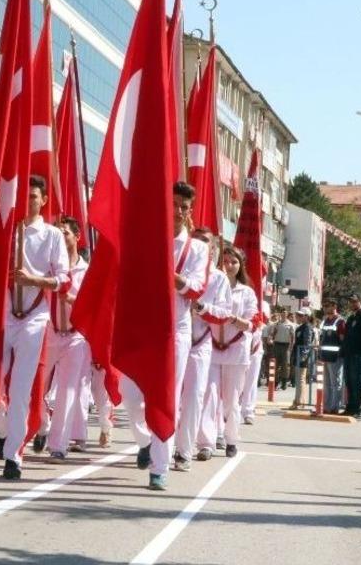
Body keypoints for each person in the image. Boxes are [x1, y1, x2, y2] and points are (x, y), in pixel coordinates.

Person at [119, 181, 208, 491]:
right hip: (144, 326)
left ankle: (160, 465)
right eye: (174, 205)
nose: (179, 211)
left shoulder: (197, 248)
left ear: (190, 210)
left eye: (185, 206)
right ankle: (145, 441)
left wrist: (170, 276)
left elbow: (196, 288)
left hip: (177, 330)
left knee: (166, 397)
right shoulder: (147, 239)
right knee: (130, 394)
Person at [0, 175, 68, 481]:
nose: (29, 202)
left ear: (44, 200)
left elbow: (64, 280)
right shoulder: (7, 230)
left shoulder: (51, 236)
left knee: (20, 388)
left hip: (34, 318)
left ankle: (14, 454)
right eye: (25, 196)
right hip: (3, 314)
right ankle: (5, 431)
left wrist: (33, 280)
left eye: (34, 197)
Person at [197, 245, 258, 459]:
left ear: (240, 265)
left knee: (231, 400)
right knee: (209, 395)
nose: (229, 266)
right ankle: (206, 442)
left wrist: (230, 317)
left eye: (234, 262)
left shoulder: (247, 292)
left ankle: (231, 438)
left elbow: (252, 323)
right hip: (211, 347)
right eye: (226, 261)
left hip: (236, 350)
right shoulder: (212, 285)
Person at [177, 227, 229, 469]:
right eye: (196, 240)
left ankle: (184, 452)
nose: (200, 245)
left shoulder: (218, 278)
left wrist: (203, 308)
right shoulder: (180, 268)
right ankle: (160, 443)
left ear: (213, 248)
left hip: (200, 344)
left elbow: (224, 314)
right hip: (176, 338)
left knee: (194, 397)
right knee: (170, 395)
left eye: (206, 242)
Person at [40, 216, 90, 463]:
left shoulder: (86, 270)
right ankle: (40, 424)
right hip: (48, 332)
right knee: (35, 386)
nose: (61, 237)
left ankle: (58, 445)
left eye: (66, 233)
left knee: (68, 391)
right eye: (58, 233)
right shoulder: (49, 265)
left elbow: (93, 305)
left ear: (77, 237)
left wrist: (71, 299)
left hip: (75, 337)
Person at [341, 294, 361, 417]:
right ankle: (350, 407)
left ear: (359, 302)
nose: (352, 304)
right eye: (351, 302)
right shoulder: (350, 318)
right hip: (349, 353)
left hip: (359, 353)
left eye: (355, 301)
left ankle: (356, 408)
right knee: (349, 381)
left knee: (356, 381)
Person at [317, 301, 346, 413]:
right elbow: (321, 338)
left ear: (334, 306)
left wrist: (341, 354)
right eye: (325, 306)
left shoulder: (340, 321)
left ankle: (335, 407)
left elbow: (343, 339)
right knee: (327, 384)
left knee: (335, 384)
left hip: (335, 357)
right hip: (325, 356)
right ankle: (326, 407)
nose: (325, 308)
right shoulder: (325, 321)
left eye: (327, 306)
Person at [290, 308, 315, 408]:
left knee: (300, 379)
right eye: (298, 315)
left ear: (307, 317)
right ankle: (299, 401)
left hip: (302, 356)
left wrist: (303, 356)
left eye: (301, 315)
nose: (298, 317)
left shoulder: (308, 328)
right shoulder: (300, 328)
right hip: (297, 354)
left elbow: (307, 343)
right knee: (299, 379)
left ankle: (299, 402)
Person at [272, 311, 294, 390]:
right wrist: (272, 340)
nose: (283, 315)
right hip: (277, 344)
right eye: (282, 313)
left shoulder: (290, 324)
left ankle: (284, 382)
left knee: (285, 365)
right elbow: (273, 334)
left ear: (287, 315)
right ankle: (275, 382)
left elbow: (292, 336)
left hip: (286, 345)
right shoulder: (277, 324)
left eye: (285, 314)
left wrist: (291, 347)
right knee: (276, 364)